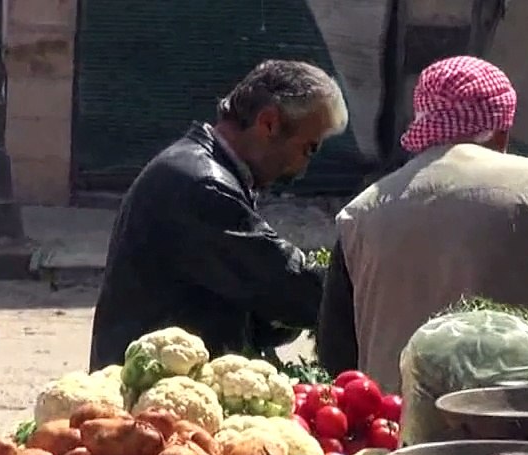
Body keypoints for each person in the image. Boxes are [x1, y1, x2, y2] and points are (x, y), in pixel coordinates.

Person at [315, 56, 528, 391]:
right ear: (502, 128)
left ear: (423, 125)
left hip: (400, 417)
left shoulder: (359, 213)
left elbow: (336, 355)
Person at [88, 60, 350, 371]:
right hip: (147, 385)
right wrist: (357, 283)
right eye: (308, 148)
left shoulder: (204, 171)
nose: (303, 167)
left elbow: (259, 304)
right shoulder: (203, 185)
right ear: (268, 123)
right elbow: (289, 287)